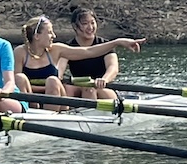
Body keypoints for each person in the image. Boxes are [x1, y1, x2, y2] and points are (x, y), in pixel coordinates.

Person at [13, 13, 145, 102]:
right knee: (22, 78)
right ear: (37, 36)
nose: (54, 35)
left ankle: (53, 117)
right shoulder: (20, 52)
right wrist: (47, 88)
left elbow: (89, 52)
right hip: (32, 99)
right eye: (49, 32)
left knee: (53, 81)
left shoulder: (56, 49)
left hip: (55, 96)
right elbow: (16, 84)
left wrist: (117, 42)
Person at [63, 6, 145, 98]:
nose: (90, 27)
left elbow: (113, 67)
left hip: (104, 88)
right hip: (80, 87)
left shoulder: (105, 45)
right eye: (85, 23)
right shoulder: (67, 48)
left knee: (89, 90)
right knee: (69, 89)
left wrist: (104, 79)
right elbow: (59, 69)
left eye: (92, 23)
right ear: (74, 26)